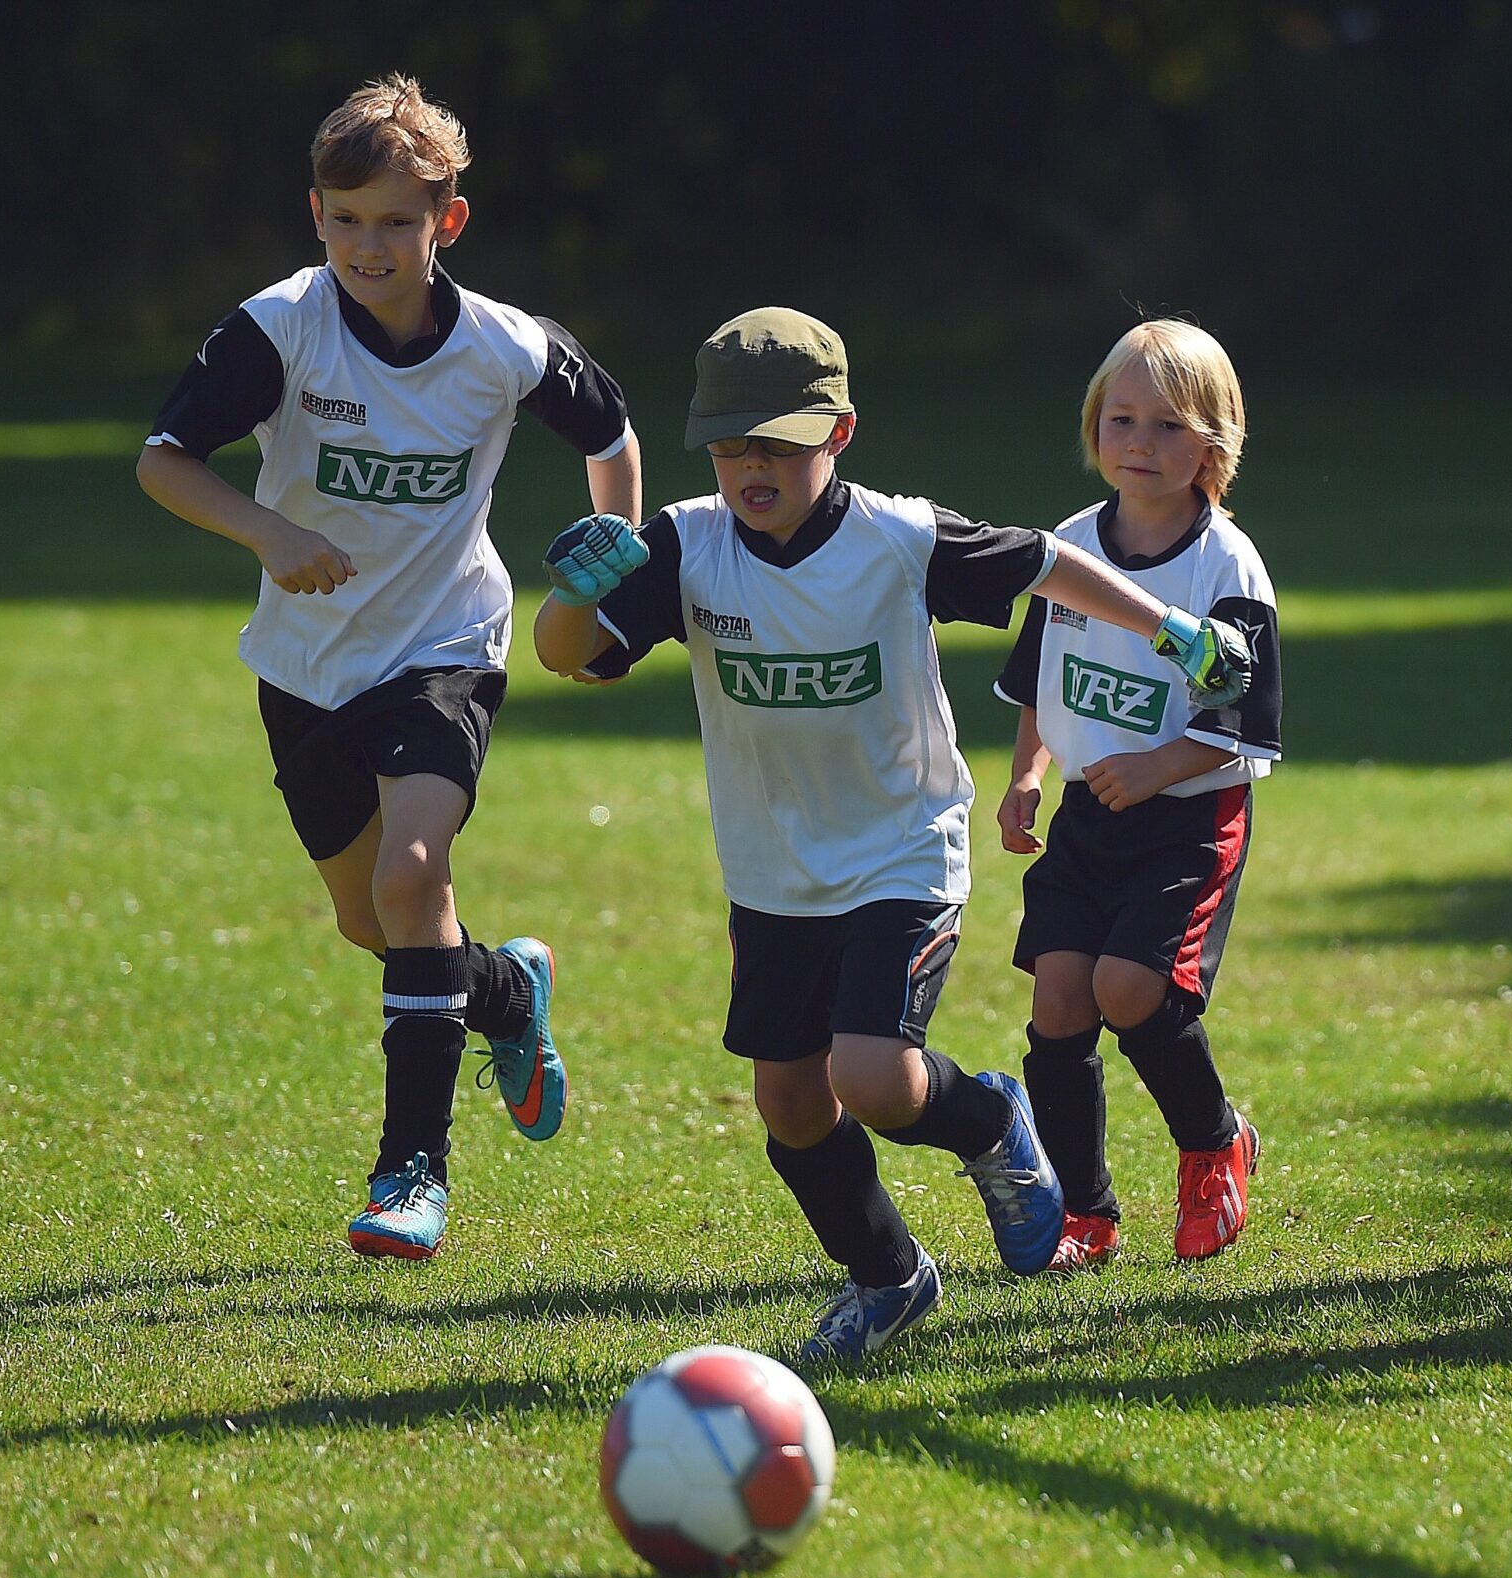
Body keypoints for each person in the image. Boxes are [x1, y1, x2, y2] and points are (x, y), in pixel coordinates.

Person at [530, 308, 1253, 1360]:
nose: (751, 469)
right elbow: (567, 656)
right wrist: (571, 594)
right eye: (731, 448)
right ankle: (889, 1278)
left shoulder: (898, 538)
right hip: (771, 868)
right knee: (787, 1101)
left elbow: (1049, 563)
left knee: (867, 1075)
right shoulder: (686, 543)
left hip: (902, 849)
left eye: (778, 443)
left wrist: (1169, 627)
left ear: (840, 433)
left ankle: (993, 1126)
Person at [136, 75, 640, 1260]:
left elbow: (609, 432)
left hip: (443, 646)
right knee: (376, 924)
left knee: (416, 880)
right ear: (316, 215)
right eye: (348, 218)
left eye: (397, 221)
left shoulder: (506, 347)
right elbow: (166, 460)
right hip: (303, 666)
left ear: (445, 223)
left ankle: (409, 1177)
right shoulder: (279, 330)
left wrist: (603, 563)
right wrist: (271, 532)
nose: (372, 244)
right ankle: (505, 995)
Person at [992, 320, 1282, 1270]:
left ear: (1214, 444)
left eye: (1167, 425)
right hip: (1091, 815)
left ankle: (1214, 1146)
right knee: (1062, 1000)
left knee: (1129, 989)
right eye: (1122, 420)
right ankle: (1086, 1213)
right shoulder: (1071, 547)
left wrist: (1159, 766)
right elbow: (1041, 679)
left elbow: (1247, 718)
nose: (1140, 443)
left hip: (1188, 818)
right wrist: (1028, 775)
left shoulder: (1225, 566)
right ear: (1094, 429)